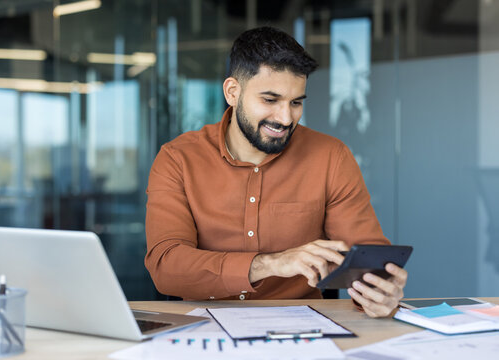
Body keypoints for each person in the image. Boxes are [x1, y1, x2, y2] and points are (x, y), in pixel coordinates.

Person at [145, 26, 407, 318]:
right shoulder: (178, 159)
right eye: (270, 100)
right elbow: (166, 266)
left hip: (301, 324)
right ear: (233, 92)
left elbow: (368, 258)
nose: (285, 118)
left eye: (296, 103)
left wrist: (380, 292)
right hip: (200, 323)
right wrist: (269, 264)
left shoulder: (331, 157)